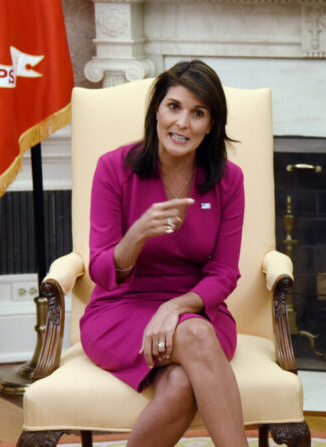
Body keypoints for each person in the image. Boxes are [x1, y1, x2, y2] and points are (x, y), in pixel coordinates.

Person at [79, 60, 249, 447]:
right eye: (174, 107)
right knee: (196, 338)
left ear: (211, 126)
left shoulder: (228, 181)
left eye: (198, 113)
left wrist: (174, 308)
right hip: (119, 311)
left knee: (180, 385)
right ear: (156, 109)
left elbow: (224, 273)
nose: (183, 123)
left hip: (197, 310)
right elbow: (101, 271)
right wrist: (136, 235)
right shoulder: (113, 168)